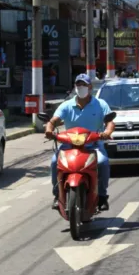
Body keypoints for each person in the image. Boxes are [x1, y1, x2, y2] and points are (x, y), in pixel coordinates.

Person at [45, 73, 115, 211]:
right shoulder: (66, 105)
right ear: (75, 87)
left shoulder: (100, 104)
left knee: (102, 162)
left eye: (84, 84)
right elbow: (54, 121)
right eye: (78, 84)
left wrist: (107, 133)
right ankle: (57, 194)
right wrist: (49, 130)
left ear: (90, 87)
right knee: (54, 162)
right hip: (69, 145)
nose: (81, 87)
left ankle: (101, 196)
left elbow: (110, 122)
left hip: (93, 144)